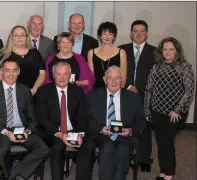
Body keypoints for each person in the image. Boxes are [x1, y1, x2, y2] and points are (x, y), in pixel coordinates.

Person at [76, 65, 145, 180]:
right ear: (104, 79)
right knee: (107, 148)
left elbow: (141, 121)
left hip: (125, 135)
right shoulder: (92, 96)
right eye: (110, 78)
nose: (113, 81)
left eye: (117, 78)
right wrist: (100, 128)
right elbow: (86, 119)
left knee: (123, 150)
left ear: (122, 80)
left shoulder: (133, 98)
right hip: (101, 134)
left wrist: (130, 130)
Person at [0, 59, 49, 180]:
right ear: (1, 72)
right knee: (1, 151)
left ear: (18, 72)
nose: (11, 74)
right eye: (7, 70)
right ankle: (8, 173)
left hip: (22, 128)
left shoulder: (25, 91)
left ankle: (13, 172)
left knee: (43, 149)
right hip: (2, 129)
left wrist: (27, 131)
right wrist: (6, 132)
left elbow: (32, 118)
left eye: (14, 70)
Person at [145, 37, 195, 180]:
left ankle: (169, 172)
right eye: (165, 49)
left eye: (171, 49)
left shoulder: (184, 67)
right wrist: (147, 110)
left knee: (166, 141)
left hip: (175, 113)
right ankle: (164, 170)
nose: (167, 52)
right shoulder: (157, 67)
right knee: (161, 142)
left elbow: (189, 91)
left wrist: (177, 109)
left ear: (177, 51)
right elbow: (149, 89)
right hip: (157, 111)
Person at [35, 62, 88, 180]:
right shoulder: (43, 91)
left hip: (73, 131)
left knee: (87, 145)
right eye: (58, 74)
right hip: (52, 132)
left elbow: (82, 117)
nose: (62, 78)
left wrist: (79, 135)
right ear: (53, 75)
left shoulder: (78, 91)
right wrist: (60, 135)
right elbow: (42, 119)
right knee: (58, 145)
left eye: (65, 74)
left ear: (70, 76)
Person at [119, 20, 157, 171]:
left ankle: (144, 159)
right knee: (125, 124)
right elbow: (117, 70)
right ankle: (126, 156)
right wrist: (128, 85)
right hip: (125, 92)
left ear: (146, 34)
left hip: (145, 95)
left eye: (142, 31)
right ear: (130, 34)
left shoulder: (155, 52)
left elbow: (156, 76)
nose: (139, 34)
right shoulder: (122, 50)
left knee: (144, 128)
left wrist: (140, 89)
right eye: (135, 31)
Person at [0, 26, 46, 94]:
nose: (19, 37)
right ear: (11, 38)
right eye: (16, 35)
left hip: (33, 94)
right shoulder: (4, 54)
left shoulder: (35, 53)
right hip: (11, 94)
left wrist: (33, 90)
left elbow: (42, 74)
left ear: (26, 38)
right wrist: (17, 93)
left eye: (22, 35)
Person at [88, 22, 127, 89]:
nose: (107, 37)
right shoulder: (91, 52)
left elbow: (123, 77)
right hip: (96, 91)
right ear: (100, 36)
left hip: (116, 91)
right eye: (104, 34)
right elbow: (91, 77)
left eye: (110, 34)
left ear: (114, 36)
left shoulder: (121, 52)